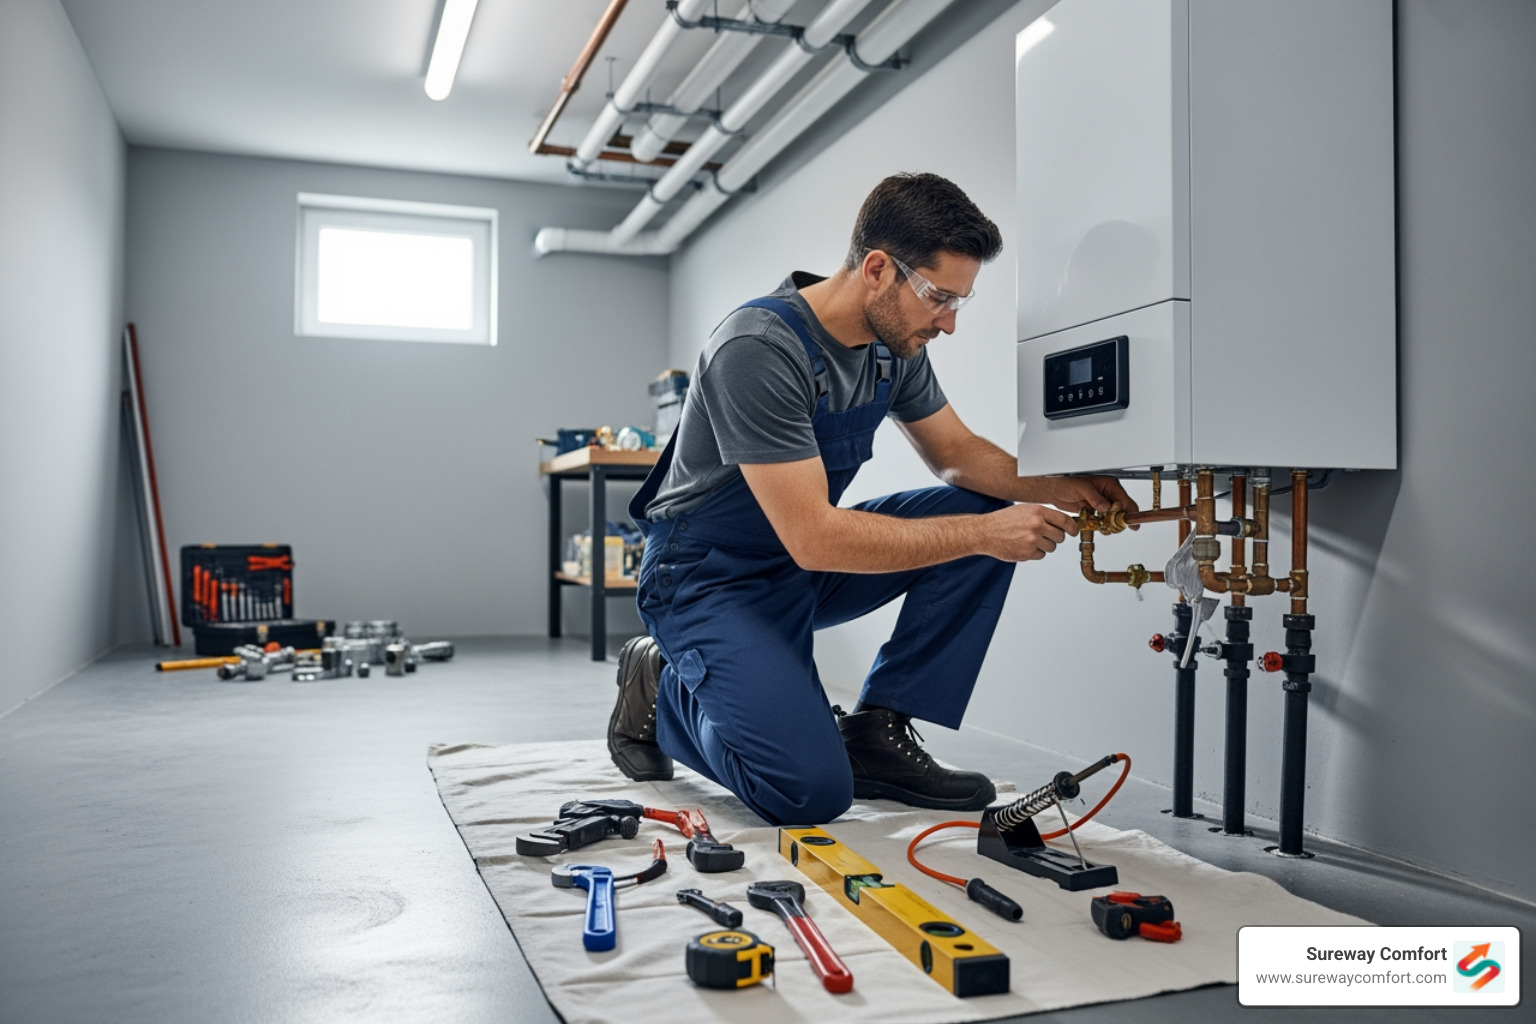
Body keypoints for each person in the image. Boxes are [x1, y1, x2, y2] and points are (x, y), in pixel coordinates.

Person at [607, 173, 1135, 826]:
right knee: (808, 793)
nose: (948, 323)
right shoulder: (758, 348)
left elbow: (957, 454)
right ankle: (661, 687)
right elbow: (815, 537)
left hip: (796, 564)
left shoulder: (893, 348)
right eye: (939, 297)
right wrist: (988, 535)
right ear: (879, 269)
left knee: (977, 509)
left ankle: (877, 733)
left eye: (959, 302)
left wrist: (1064, 484)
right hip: (707, 577)